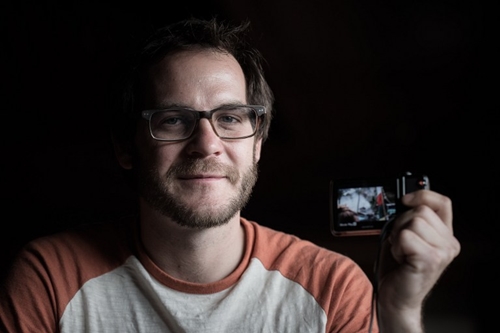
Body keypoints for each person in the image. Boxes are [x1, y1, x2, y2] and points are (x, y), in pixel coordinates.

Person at [0, 17, 460, 332]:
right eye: (174, 119)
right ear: (126, 147)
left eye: (231, 118)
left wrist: (399, 312)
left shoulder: (332, 287)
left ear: (257, 144)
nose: (206, 143)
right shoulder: (51, 279)